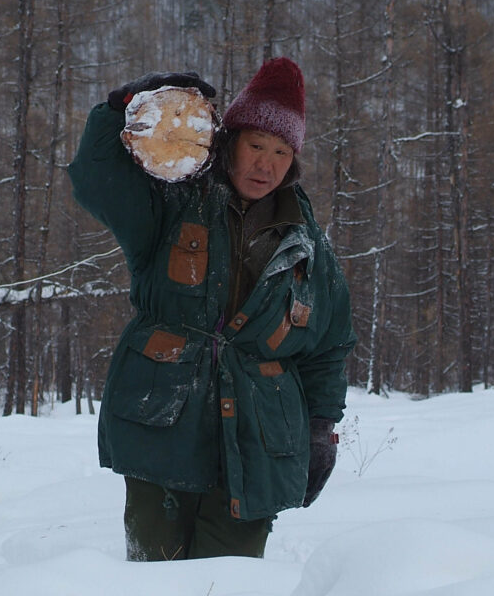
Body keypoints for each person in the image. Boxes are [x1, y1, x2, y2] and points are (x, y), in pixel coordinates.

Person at [67, 57, 357, 561]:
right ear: (230, 141)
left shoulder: (308, 246)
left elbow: (329, 345)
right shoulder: (173, 201)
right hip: (163, 424)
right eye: (256, 146)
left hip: (258, 439)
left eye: (281, 151)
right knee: (155, 576)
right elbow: (96, 179)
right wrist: (120, 107)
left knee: (230, 581)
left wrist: (320, 429)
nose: (266, 165)